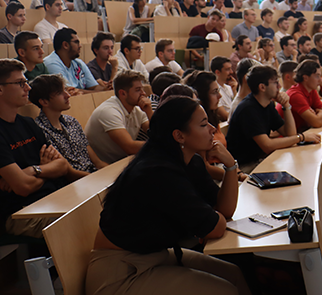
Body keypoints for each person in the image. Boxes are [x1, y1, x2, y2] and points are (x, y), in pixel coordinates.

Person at [86, 96, 251, 295]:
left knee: (234, 273)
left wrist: (231, 166)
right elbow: (215, 228)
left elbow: (224, 211)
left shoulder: (191, 162)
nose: (212, 129)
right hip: (121, 273)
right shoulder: (157, 172)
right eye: (203, 124)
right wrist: (212, 219)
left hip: (155, 255)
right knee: (226, 290)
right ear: (179, 136)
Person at [0, 59, 84, 239]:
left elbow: (62, 166)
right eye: (20, 83)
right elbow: (23, 188)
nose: (28, 88)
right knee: (86, 220)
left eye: (26, 82)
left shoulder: (27, 123)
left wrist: (31, 170)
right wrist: (45, 172)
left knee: (105, 207)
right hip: (23, 212)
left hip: (54, 197)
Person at [227, 65, 320, 170]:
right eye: (275, 82)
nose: (279, 85)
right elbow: (267, 146)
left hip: (260, 160)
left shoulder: (268, 104)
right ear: (262, 87)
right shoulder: (248, 109)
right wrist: (301, 138)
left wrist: (286, 106)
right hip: (245, 166)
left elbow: (290, 133)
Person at [30, 75, 107, 174]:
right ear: (44, 102)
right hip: (75, 183)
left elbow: (97, 162)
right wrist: (97, 179)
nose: (68, 95)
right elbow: (69, 174)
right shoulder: (40, 130)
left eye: (65, 90)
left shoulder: (72, 121)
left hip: (93, 175)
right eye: (59, 93)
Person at [86, 70, 152, 164]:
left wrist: (149, 111)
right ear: (123, 93)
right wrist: (161, 144)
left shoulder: (137, 110)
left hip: (121, 162)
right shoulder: (109, 111)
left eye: (142, 89)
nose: (143, 94)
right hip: (101, 167)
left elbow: (159, 132)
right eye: (138, 90)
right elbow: (130, 147)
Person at [43, 28, 103, 92]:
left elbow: (94, 87)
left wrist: (106, 88)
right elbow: (67, 92)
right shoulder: (51, 64)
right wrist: (96, 93)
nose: (80, 46)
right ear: (65, 45)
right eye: (76, 42)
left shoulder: (79, 63)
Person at [282, 60, 322, 131]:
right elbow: (317, 123)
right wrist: (321, 112)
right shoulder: (295, 95)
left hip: (302, 132)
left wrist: (318, 116)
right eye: (317, 76)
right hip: (287, 137)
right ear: (305, 78)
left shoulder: (312, 90)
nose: (320, 80)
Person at [210, 56, 237, 122]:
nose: (231, 72)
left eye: (231, 69)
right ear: (218, 72)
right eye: (228, 69)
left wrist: (234, 91)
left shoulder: (229, 87)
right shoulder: (214, 91)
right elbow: (226, 117)